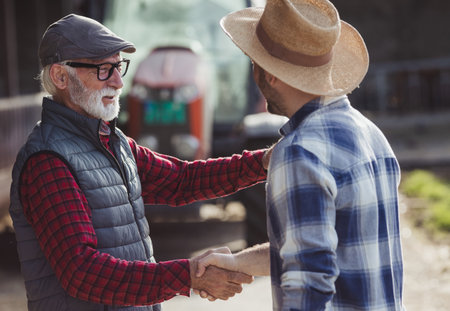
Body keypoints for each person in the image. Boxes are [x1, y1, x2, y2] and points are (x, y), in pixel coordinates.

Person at [9, 14, 273, 311]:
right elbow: (83, 273)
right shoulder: (48, 162)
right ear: (60, 76)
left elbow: (180, 181)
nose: (119, 81)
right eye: (103, 70)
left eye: (119, 67)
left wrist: (263, 162)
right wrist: (189, 275)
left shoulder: (113, 140)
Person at [196, 0, 405, 310]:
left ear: (272, 74)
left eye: (254, 61)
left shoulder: (299, 152)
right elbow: (316, 247)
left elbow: (310, 282)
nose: (253, 71)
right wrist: (238, 262)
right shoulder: (371, 134)